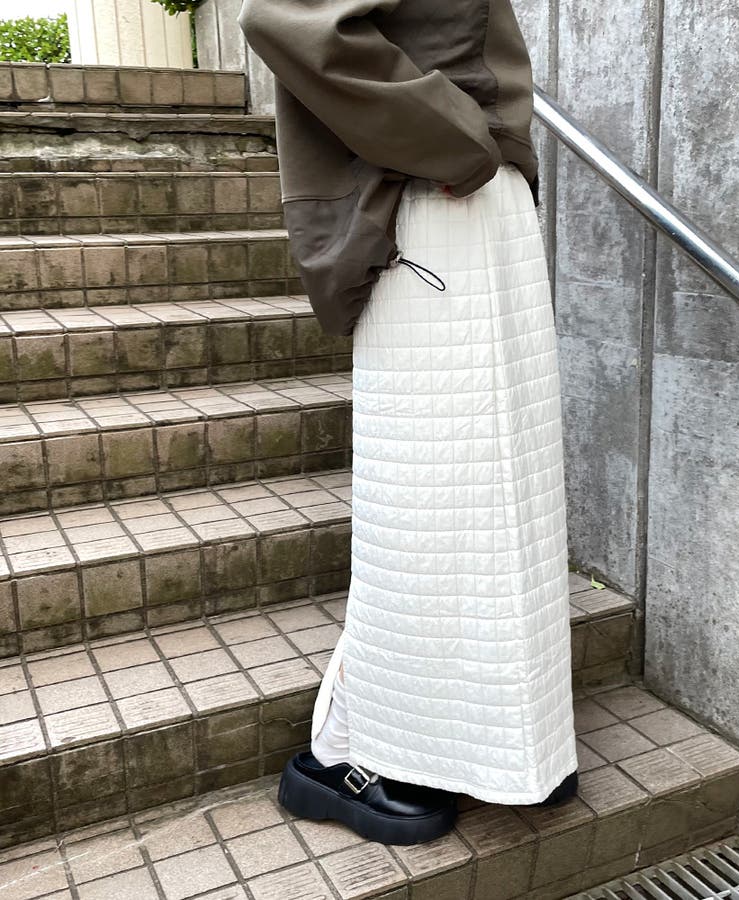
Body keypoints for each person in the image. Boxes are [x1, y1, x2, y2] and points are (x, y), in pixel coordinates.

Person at [238, 0, 579, 845]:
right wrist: (457, 138)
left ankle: (508, 744)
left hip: (475, 201)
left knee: (509, 502)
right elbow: (292, 18)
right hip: (429, 196)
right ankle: (350, 753)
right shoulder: (447, 151)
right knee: (434, 501)